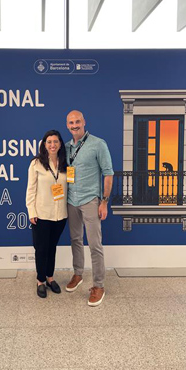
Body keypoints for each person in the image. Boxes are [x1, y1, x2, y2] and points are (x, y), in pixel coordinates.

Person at [65, 110, 114, 307]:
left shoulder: (98, 144)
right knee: (75, 239)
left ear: (84, 122)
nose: (74, 125)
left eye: (77, 121)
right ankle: (78, 274)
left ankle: (99, 285)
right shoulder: (67, 147)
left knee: (95, 245)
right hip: (71, 201)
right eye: (70, 122)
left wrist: (104, 201)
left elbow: (108, 173)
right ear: (67, 125)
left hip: (90, 201)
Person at [26, 130, 68, 298]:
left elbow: (70, 186)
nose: (52, 145)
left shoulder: (66, 163)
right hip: (42, 214)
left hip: (60, 214)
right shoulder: (36, 164)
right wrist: (31, 211)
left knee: (52, 248)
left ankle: (50, 278)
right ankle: (40, 281)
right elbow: (31, 190)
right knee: (41, 248)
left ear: (60, 144)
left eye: (55, 141)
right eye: (49, 142)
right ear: (44, 144)